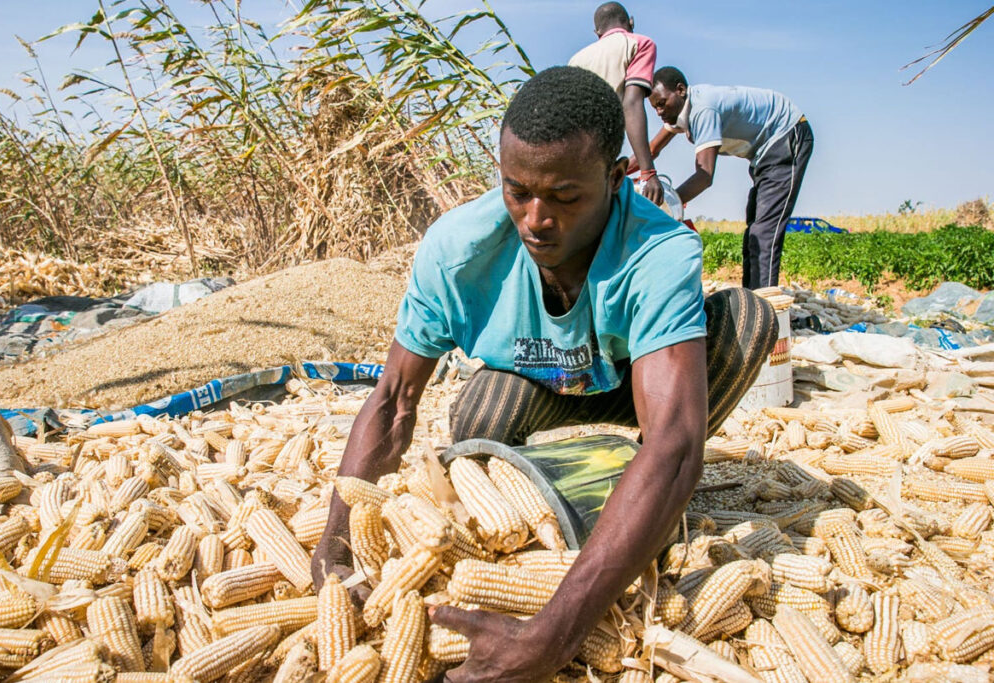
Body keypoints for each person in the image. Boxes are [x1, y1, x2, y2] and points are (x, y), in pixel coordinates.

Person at [311, 66, 777, 682]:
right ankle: (556, 517)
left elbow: (675, 443)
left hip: (631, 400)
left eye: (563, 196)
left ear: (614, 179)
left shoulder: (657, 252)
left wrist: (552, 635)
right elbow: (394, 399)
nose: (535, 218)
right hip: (543, 390)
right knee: (482, 414)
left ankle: (634, 504)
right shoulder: (457, 252)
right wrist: (336, 541)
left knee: (748, 320)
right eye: (518, 191)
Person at [640, 66, 814, 289]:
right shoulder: (680, 113)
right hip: (764, 153)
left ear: (681, 90)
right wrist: (617, 172)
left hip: (786, 133)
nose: (659, 112)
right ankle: (752, 300)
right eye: (654, 108)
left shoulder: (703, 109)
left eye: (662, 103)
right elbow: (652, 149)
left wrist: (666, 207)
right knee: (754, 229)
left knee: (764, 231)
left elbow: (704, 176)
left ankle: (765, 307)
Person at [569, 2, 663, 204]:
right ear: (631, 22)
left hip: (574, 156)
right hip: (603, 153)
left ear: (597, 32)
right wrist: (648, 171)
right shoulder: (639, 44)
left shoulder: (576, 59)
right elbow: (632, 103)